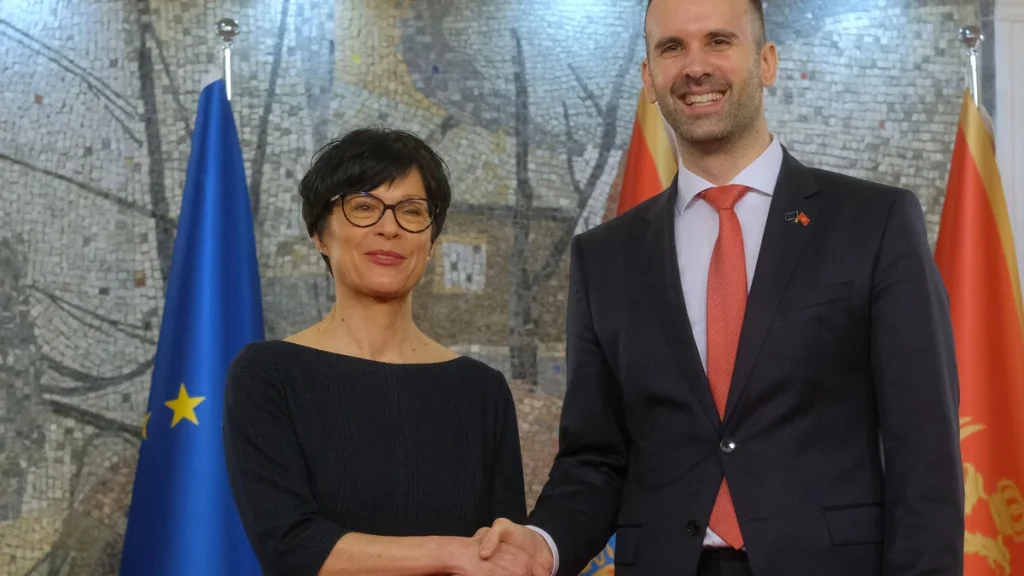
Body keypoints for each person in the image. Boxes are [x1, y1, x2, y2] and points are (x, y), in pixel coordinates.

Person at [477, 0, 964, 574]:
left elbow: (923, 450)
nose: (695, 67)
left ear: (766, 61)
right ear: (649, 79)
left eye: (719, 41)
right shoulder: (604, 257)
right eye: (671, 48)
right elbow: (597, 459)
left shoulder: (873, 223)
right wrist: (545, 542)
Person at [223, 127, 547, 576]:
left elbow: (500, 553)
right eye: (363, 207)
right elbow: (291, 546)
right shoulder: (268, 374)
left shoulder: (481, 390)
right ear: (319, 234)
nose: (389, 227)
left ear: (430, 242)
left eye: (412, 211)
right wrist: (451, 553)